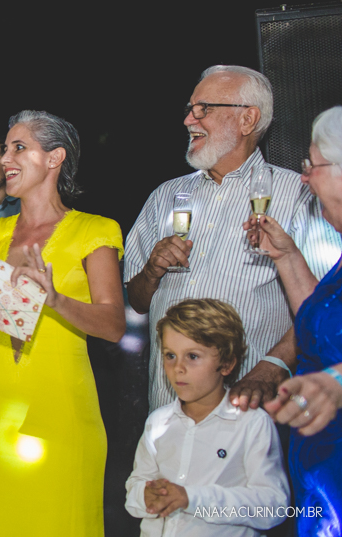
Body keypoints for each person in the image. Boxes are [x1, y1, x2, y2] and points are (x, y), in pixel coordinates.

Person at [0, 110, 125, 535]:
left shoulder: (95, 230)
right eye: (4, 149)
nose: (5, 159)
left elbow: (113, 324)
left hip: (61, 409)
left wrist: (55, 300)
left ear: (54, 158)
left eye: (19, 147)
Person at [123, 65, 340, 412]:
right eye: (189, 110)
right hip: (169, 407)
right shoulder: (165, 196)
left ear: (247, 120)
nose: (189, 121)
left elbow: (325, 303)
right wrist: (151, 271)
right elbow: (137, 302)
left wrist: (274, 366)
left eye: (203, 109)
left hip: (250, 403)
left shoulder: (297, 194)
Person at [245, 106, 342, 535]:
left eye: (313, 166)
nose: (305, 177)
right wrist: (285, 256)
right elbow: (318, 325)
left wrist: (335, 382)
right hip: (321, 455)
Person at [125, 299, 289, 536]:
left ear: (226, 363)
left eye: (192, 356)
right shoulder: (158, 423)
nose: (178, 367)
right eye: (170, 355)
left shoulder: (251, 424)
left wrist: (191, 498)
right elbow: (134, 490)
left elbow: (273, 506)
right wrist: (145, 495)